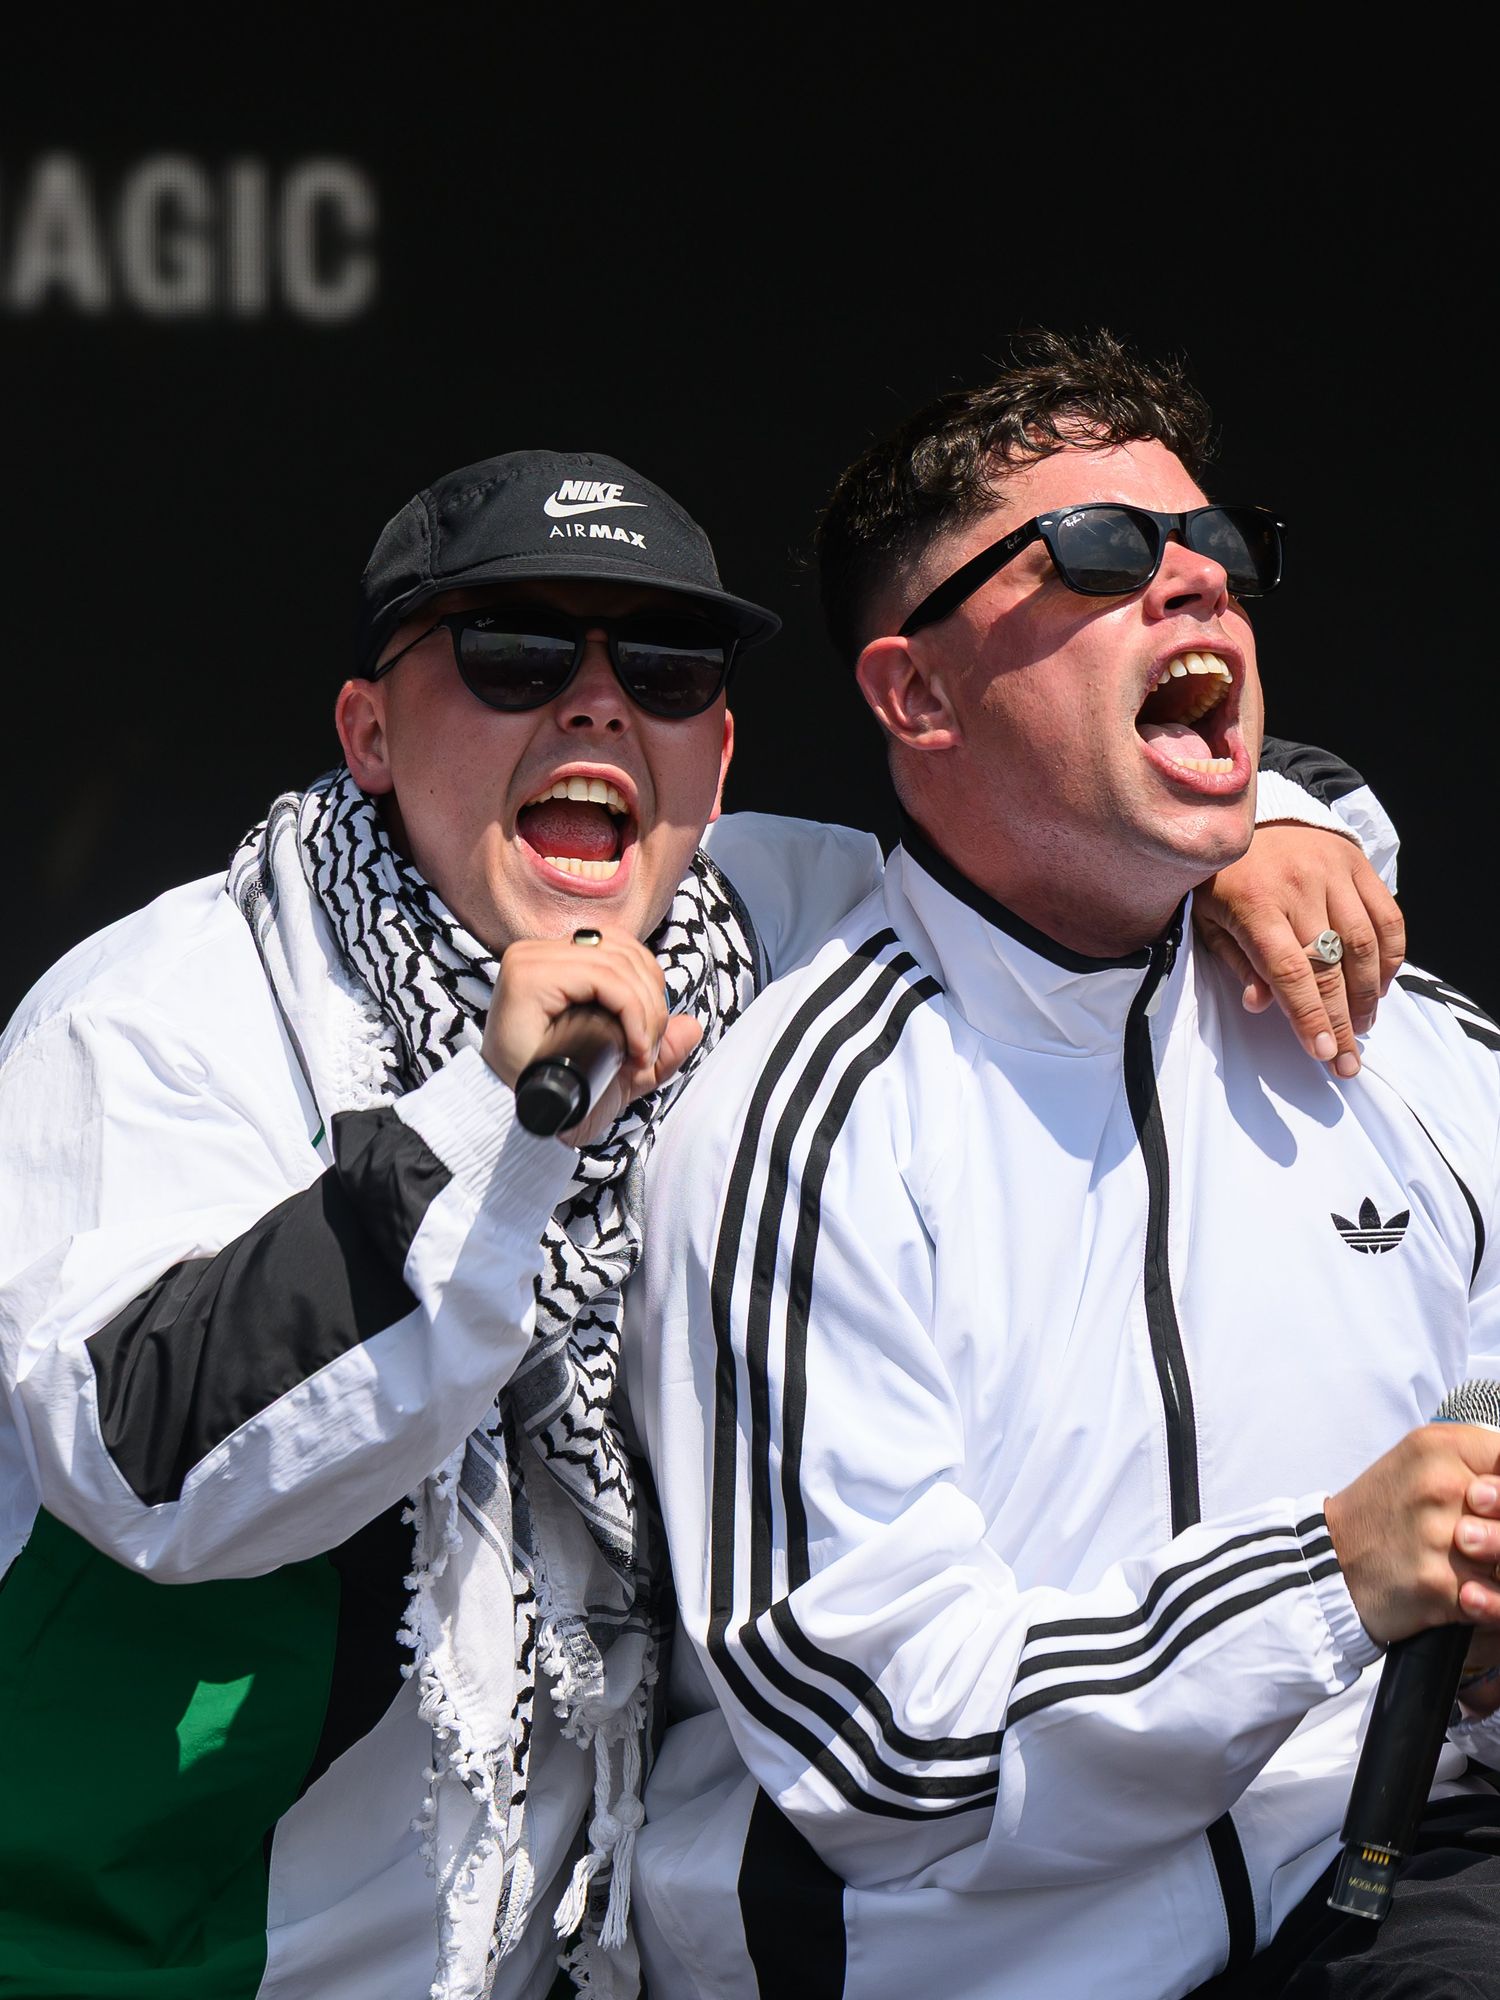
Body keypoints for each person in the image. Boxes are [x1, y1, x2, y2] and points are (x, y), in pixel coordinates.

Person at [0, 441, 1396, 2000]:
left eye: (662, 668)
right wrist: (492, 1116)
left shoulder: (782, 932)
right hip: (142, 1948)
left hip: (549, 1960)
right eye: (514, 648)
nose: (597, 704)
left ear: (717, 760)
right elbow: (154, 1465)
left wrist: (1276, 832)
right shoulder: (164, 1014)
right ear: (370, 731)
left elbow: (1070, 839)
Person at [626, 332, 1500, 2000]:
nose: (1200, 591)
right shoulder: (801, 1121)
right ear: (917, 694)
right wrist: (1336, 1572)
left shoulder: (1402, 1044)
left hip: (1384, 1881)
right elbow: (884, 1755)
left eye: (1221, 551)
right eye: (1103, 555)